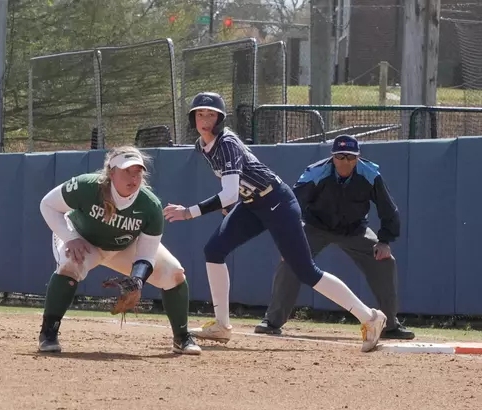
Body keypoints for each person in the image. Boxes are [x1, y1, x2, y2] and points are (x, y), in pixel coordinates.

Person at [162, 92, 387, 353]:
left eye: (211, 115)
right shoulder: (203, 145)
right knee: (214, 251)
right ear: (193, 118)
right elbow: (234, 187)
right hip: (252, 204)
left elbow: (230, 193)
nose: (205, 119)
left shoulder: (226, 144)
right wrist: (230, 204)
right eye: (200, 114)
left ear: (220, 119)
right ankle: (222, 325)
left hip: (276, 202)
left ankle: (370, 317)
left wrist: (189, 212)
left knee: (306, 271)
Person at [37, 146, 201, 355]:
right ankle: (48, 333)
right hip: (83, 240)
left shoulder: (150, 205)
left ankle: (182, 336)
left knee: (174, 273)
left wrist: (137, 281)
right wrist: (70, 238)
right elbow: (48, 205)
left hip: (124, 247)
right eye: (126, 171)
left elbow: (146, 254)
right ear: (111, 172)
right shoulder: (87, 186)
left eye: (137, 172)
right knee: (71, 265)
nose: (133, 178)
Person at [254, 135, 415, 340]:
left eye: (350, 157)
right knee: (290, 262)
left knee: (385, 261)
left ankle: (390, 325)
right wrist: (288, 241)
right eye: (340, 157)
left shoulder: (370, 174)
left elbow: (388, 209)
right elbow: (292, 205)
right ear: (333, 158)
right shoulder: (316, 172)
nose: (345, 162)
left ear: (358, 159)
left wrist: (384, 241)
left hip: (355, 230)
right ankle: (272, 321)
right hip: (315, 227)